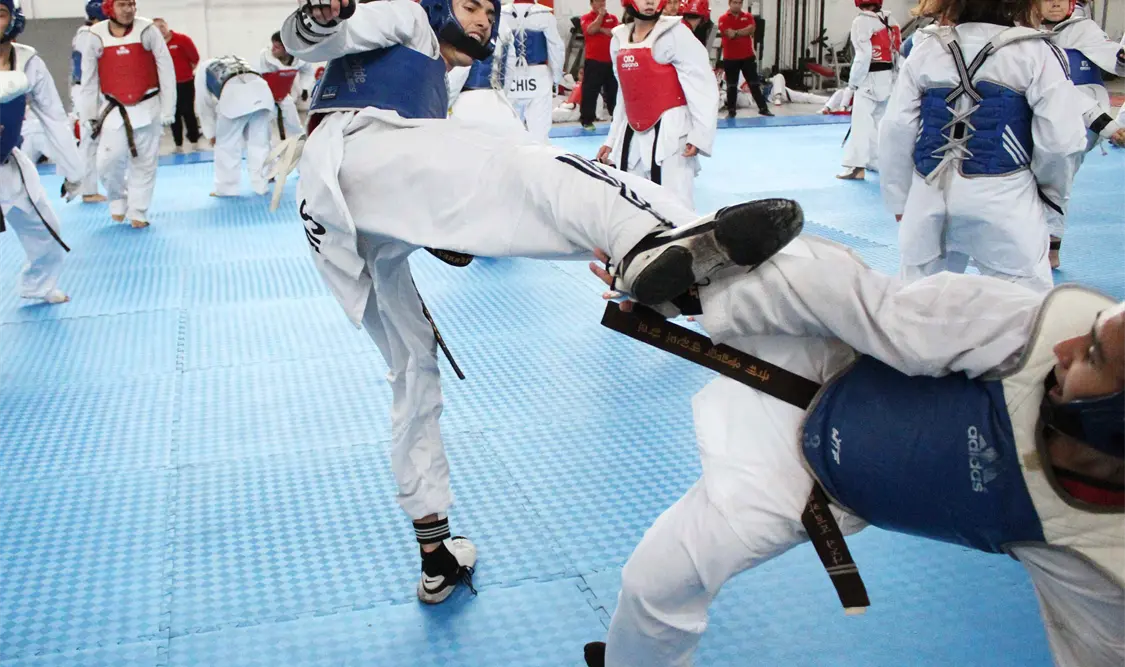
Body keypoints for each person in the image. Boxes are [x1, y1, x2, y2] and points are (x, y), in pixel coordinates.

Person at [278, 0, 801, 606]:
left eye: (489, 14)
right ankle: (650, 239)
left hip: (334, 217)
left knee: (414, 366)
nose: (483, 22)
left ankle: (434, 549)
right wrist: (317, 15)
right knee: (525, 169)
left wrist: (439, 227)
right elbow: (312, 41)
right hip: (360, 159)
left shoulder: (439, 79)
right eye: (471, 6)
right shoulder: (405, 15)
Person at [581, 228, 1125, 667]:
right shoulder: (1030, 334)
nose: (1068, 344)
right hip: (819, 365)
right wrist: (685, 290)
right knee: (703, 261)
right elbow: (862, 303)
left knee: (658, 577)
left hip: (811, 492)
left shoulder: (1108, 559)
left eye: (1092, 357)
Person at [877, 0, 1115, 294]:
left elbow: (895, 131)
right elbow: (1061, 142)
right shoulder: (1035, 53)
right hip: (1004, 199)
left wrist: (900, 200)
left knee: (917, 305)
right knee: (1024, 310)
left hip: (928, 199)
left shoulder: (927, 49)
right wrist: (1049, 196)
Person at [595, 0, 718, 210]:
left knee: (675, 202)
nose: (650, 2)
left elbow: (702, 86)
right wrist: (612, 139)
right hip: (632, 130)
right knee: (630, 198)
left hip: (671, 129)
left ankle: (680, 241)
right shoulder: (619, 39)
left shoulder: (676, 34)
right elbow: (625, 94)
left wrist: (700, 134)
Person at [0, 0, 84, 305]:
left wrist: (74, 171)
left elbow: (53, 116)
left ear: (13, 20)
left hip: (8, 163)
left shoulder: (27, 60)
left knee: (47, 233)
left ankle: (37, 286)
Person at [1039, 0, 1125, 269]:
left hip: (1081, 122)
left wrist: (1122, 58)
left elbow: (1114, 61)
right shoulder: (1019, 30)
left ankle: (1051, 247)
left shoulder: (1083, 29)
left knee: (1057, 178)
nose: (1055, 3)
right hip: (1034, 112)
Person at [79, 0, 176, 229]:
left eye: (132, 4)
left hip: (148, 104)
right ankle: (117, 198)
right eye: (123, 4)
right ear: (109, 8)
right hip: (114, 108)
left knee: (145, 162)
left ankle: (138, 210)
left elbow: (165, 67)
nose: (129, 9)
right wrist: (88, 114)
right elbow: (89, 77)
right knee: (107, 161)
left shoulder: (147, 29)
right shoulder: (95, 35)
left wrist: (168, 108)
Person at [195, 56, 275, 197]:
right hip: (263, 93)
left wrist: (211, 133)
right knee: (260, 144)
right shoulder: (240, 59)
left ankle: (226, 189)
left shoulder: (203, 70)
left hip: (234, 95)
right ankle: (261, 186)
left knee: (226, 145)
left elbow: (204, 104)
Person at [837, 0, 900, 180]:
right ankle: (876, 160)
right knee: (879, 122)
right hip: (888, 77)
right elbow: (897, 52)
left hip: (869, 78)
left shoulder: (861, 22)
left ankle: (857, 167)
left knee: (861, 122)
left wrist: (853, 83)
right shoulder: (891, 20)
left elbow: (863, 56)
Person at [500, 0, 564, 142]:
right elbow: (556, 48)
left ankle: (511, 162)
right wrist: (556, 78)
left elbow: (497, 49)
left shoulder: (502, 15)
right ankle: (539, 162)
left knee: (509, 131)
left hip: (510, 75)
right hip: (538, 74)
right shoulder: (545, 15)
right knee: (539, 132)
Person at [70, 0, 106, 203]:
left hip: (92, 89)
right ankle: (88, 190)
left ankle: (91, 187)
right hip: (87, 90)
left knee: (95, 140)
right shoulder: (87, 35)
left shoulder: (87, 33)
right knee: (89, 140)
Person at [259, 31, 317, 142]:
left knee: (295, 124)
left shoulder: (299, 60)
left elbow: (308, 72)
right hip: (265, 99)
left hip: (284, 97)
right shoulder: (266, 57)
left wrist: (304, 88)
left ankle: (301, 146)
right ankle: (270, 154)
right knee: (266, 129)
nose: (273, 50)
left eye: (277, 47)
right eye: (273, 46)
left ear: (287, 49)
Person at [154, 18, 202, 152]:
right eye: (157, 28)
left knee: (188, 112)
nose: (161, 30)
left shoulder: (182, 40)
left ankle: (194, 142)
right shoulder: (155, 44)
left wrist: (185, 72)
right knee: (173, 114)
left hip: (185, 82)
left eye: (162, 26)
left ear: (167, 26)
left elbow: (194, 58)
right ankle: (178, 144)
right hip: (166, 86)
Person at [717, 0, 770, 118]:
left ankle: (763, 108)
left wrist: (736, 32)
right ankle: (731, 111)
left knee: (754, 84)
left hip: (747, 57)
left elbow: (751, 29)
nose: (737, 5)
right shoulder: (723, 18)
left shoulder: (748, 16)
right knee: (731, 86)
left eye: (739, 3)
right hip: (730, 58)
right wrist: (743, 32)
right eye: (735, 2)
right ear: (729, 3)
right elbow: (728, 33)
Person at [579, 0, 620, 130]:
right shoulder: (586, 18)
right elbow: (590, 30)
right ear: (592, 4)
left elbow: (617, 32)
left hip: (611, 61)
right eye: (598, 1)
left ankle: (617, 118)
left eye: (603, 1)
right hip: (594, 61)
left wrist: (603, 28)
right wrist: (601, 22)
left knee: (613, 91)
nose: (602, 4)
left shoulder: (613, 18)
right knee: (590, 91)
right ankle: (587, 120)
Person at [764, 71, 829, 107]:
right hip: (771, 96)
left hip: (785, 92)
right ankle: (777, 97)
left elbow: (774, 80)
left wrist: (767, 79)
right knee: (779, 76)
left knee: (807, 96)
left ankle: (829, 100)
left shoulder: (774, 80)